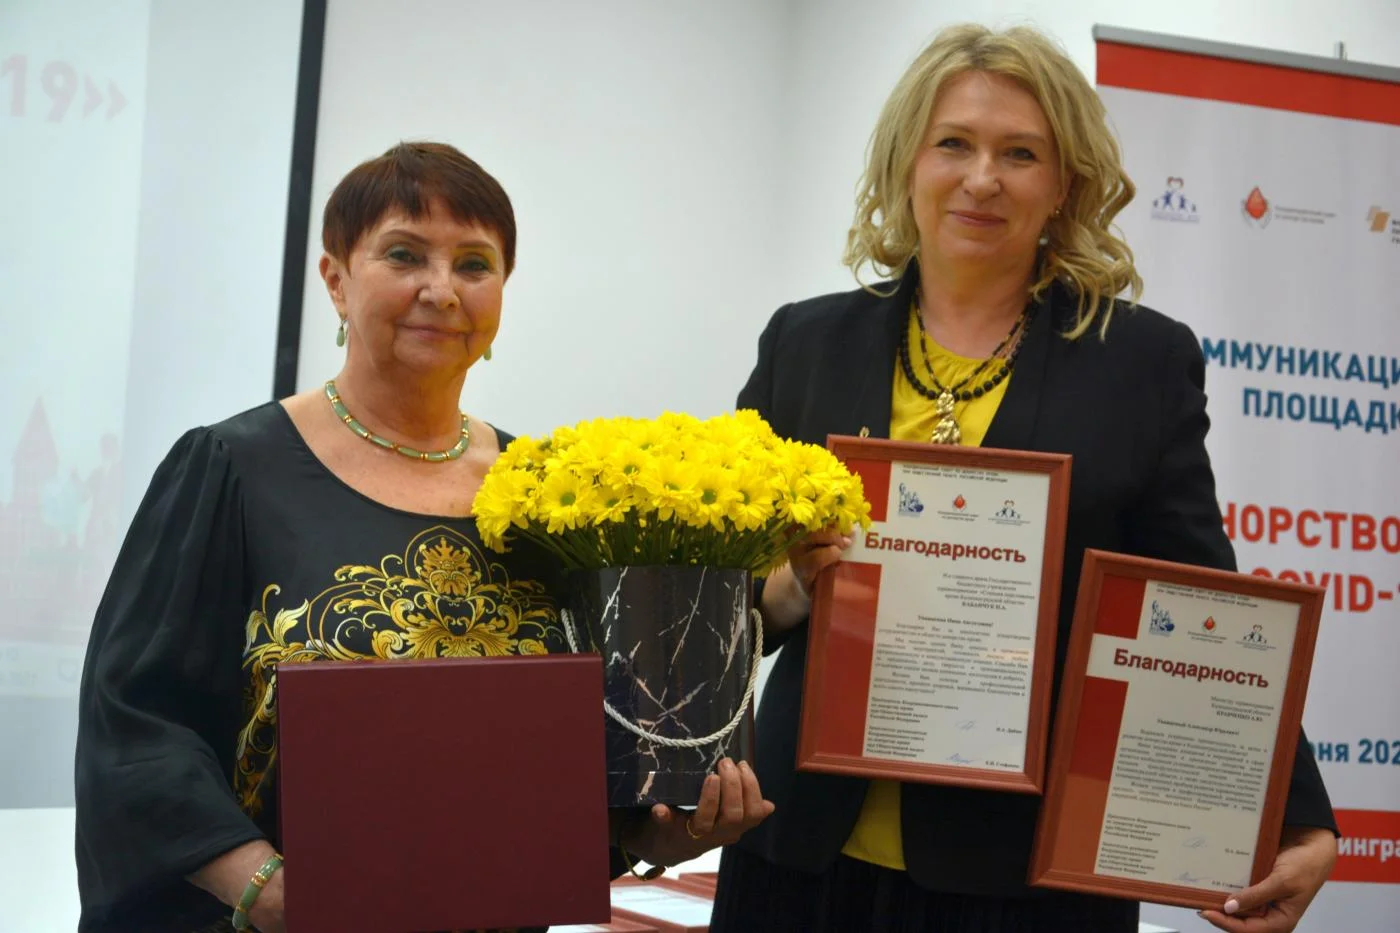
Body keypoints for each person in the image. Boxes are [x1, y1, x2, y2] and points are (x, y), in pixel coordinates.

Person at [710, 23, 1337, 933]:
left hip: (1025, 873)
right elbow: (720, 597)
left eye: (1020, 153)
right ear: (906, 162)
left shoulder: (1141, 362)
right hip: (798, 850)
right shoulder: (805, 343)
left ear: (1064, 184)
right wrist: (798, 582)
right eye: (953, 143)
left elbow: (1203, 602)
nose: (982, 178)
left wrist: (1297, 816)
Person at [73, 141, 772, 933]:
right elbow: (135, 726)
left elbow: (574, 751)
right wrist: (266, 888)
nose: (441, 290)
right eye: (404, 254)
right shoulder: (230, 470)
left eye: (474, 264)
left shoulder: (548, 495)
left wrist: (657, 830)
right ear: (335, 279)